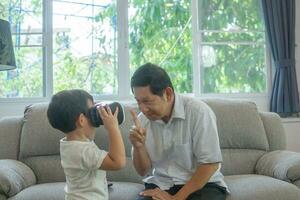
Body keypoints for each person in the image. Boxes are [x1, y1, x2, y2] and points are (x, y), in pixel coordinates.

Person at [129, 63, 228, 200]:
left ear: (168, 94)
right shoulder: (142, 121)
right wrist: (138, 147)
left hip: (203, 185)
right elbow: (142, 171)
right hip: (161, 184)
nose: (143, 109)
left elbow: (210, 164)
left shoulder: (199, 112)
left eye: (147, 101)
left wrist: (176, 198)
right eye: (138, 102)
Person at [47, 89, 126, 200]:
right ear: (82, 120)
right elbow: (118, 162)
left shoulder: (70, 144)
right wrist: (113, 128)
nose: (97, 112)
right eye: (93, 111)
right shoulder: (82, 150)